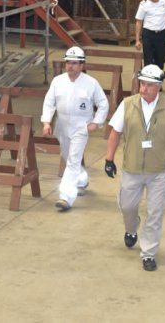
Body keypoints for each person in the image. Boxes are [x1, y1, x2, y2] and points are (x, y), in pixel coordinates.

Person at [104, 64, 165, 272]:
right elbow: (114, 133)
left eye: (149, 85)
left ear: (159, 86)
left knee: (155, 212)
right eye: (142, 84)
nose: (143, 89)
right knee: (127, 206)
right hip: (132, 168)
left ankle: (148, 253)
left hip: (158, 170)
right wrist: (109, 159)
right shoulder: (127, 104)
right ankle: (131, 229)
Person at [41, 46, 110, 211]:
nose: (70, 66)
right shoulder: (58, 81)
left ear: (81, 65)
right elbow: (49, 102)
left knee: (72, 160)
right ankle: (82, 179)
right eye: (68, 63)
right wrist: (46, 122)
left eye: (74, 63)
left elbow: (103, 103)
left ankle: (65, 197)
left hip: (81, 127)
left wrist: (96, 122)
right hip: (62, 125)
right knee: (67, 156)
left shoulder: (91, 83)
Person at [135, 0, 165, 70]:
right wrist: (137, 40)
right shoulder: (144, 4)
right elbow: (139, 21)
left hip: (161, 34)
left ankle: (158, 82)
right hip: (148, 34)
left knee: (160, 59)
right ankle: (148, 81)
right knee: (148, 60)